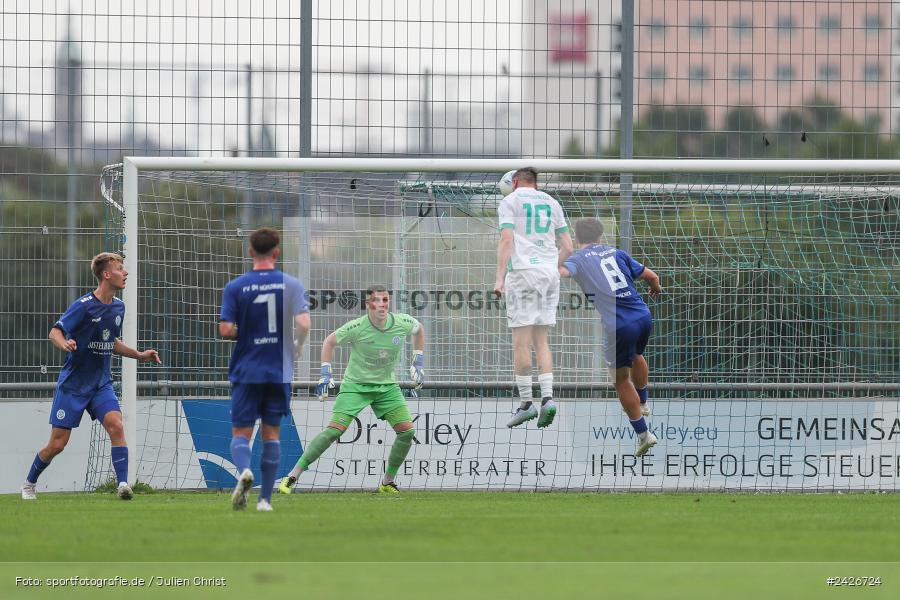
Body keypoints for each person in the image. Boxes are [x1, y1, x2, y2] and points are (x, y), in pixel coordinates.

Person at [21, 252, 161, 501]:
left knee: (116, 425)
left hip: (100, 384)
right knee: (58, 444)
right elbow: (55, 332)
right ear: (107, 274)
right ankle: (29, 484)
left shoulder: (119, 307)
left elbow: (112, 342)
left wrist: (139, 355)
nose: (125, 273)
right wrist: (64, 344)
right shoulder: (83, 305)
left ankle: (123, 485)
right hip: (74, 386)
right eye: (120, 268)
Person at [279, 285, 425, 495]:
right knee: (334, 431)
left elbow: (419, 330)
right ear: (368, 305)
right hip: (355, 386)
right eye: (376, 301)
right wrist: (325, 374)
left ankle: (387, 482)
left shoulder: (402, 322)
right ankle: (292, 476)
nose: (382, 305)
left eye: (385, 300)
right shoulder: (357, 327)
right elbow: (329, 342)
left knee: (407, 432)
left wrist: (418, 360)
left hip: (386, 387)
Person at [219, 227, 310, 511]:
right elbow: (304, 323)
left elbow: (225, 330)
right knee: (272, 433)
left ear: (250, 252)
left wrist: (245, 331)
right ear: (276, 252)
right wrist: (296, 345)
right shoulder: (291, 284)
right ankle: (265, 501)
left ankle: (245, 470)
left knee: (241, 433)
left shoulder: (235, 287)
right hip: (278, 370)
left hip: (247, 369)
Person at [559, 218, 662, 457]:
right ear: (600, 236)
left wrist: (555, 257)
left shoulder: (577, 259)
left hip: (619, 325)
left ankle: (644, 435)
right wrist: (656, 287)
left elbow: (563, 272)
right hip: (643, 315)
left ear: (577, 238)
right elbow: (652, 276)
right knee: (637, 355)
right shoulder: (618, 253)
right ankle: (643, 403)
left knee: (620, 380)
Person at [493, 167, 573, 429]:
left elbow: (506, 240)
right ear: (534, 183)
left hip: (524, 274)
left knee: (521, 343)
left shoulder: (510, 201)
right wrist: (554, 265)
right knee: (542, 341)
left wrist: (500, 278)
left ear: (515, 182)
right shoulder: (552, 202)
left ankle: (526, 403)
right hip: (549, 275)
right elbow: (568, 246)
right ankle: (548, 399)